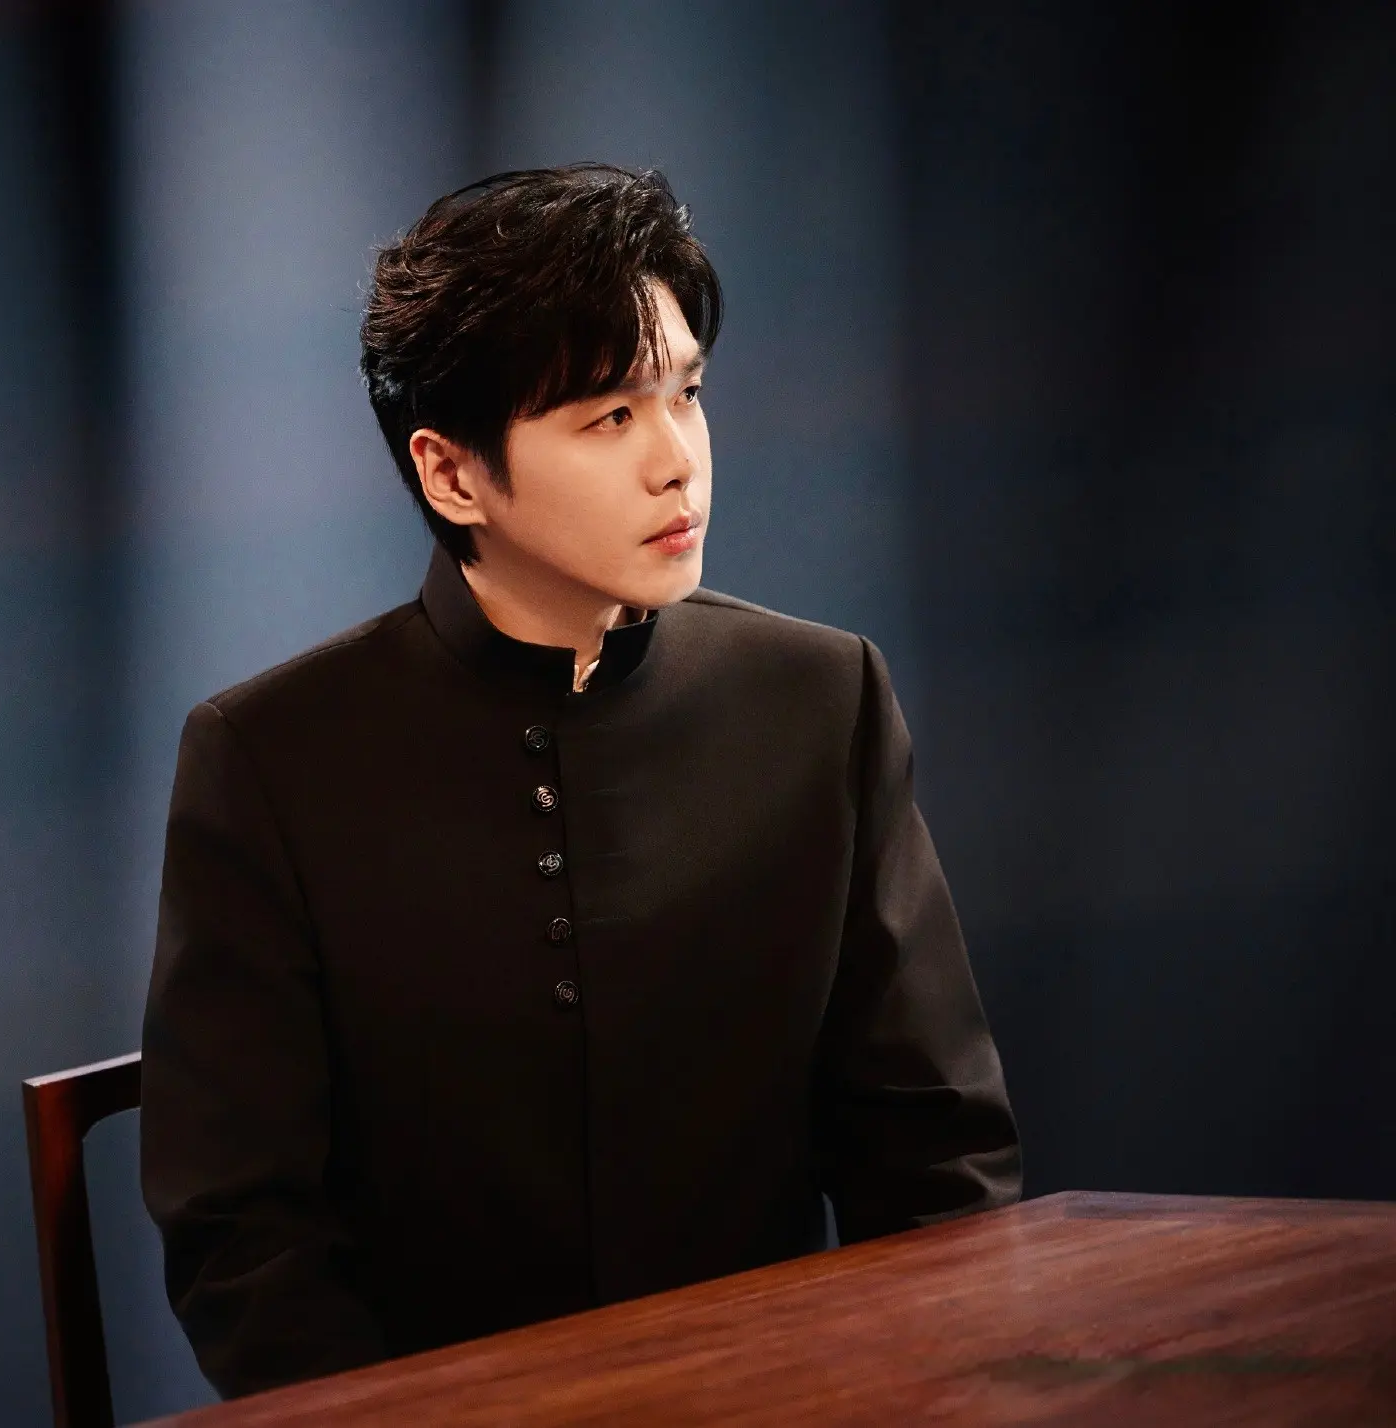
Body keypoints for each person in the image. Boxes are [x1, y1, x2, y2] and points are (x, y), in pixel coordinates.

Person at [139, 163, 1020, 1399]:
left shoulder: (819, 700)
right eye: (609, 416)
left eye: (685, 394)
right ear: (451, 474)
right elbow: (242, 1237)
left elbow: (936, 1158)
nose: (677, 462)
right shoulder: (269, 758)